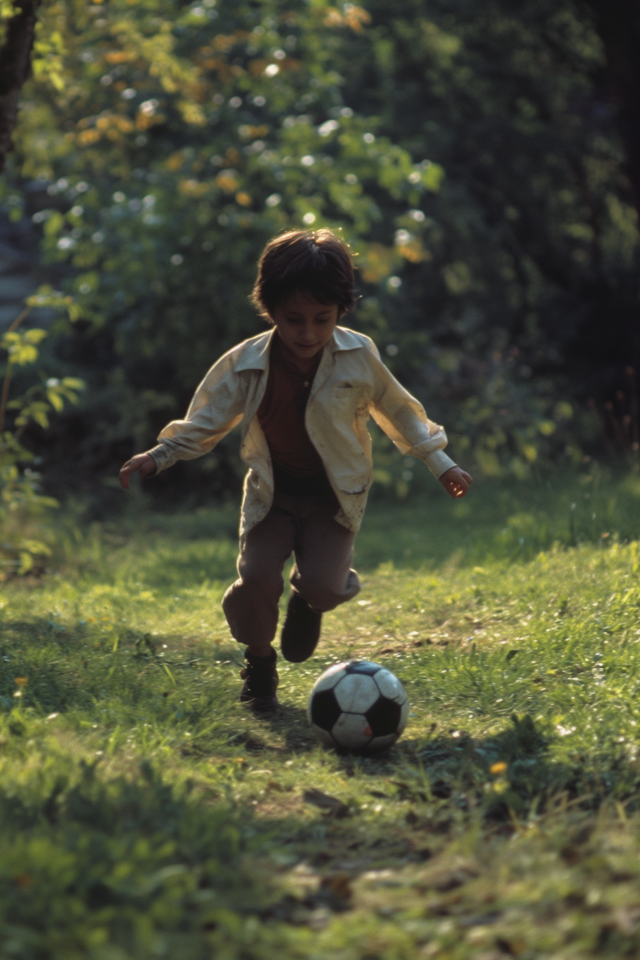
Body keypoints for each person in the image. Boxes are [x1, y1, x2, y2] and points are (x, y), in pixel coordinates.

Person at [119, 229, 472, 711]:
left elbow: (399, 410)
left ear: (342, 310)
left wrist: (440, 461)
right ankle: (259, 663)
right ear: (269, 309)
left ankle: (308, 602)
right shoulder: (244, 364)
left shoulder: (358, 354)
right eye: (293, 319)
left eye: (321, 319)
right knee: (257, 580)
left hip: (333, 497)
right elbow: (206, 420)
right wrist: (158, 455)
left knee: (326, 586)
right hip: (273, 495)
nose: (307, 332)